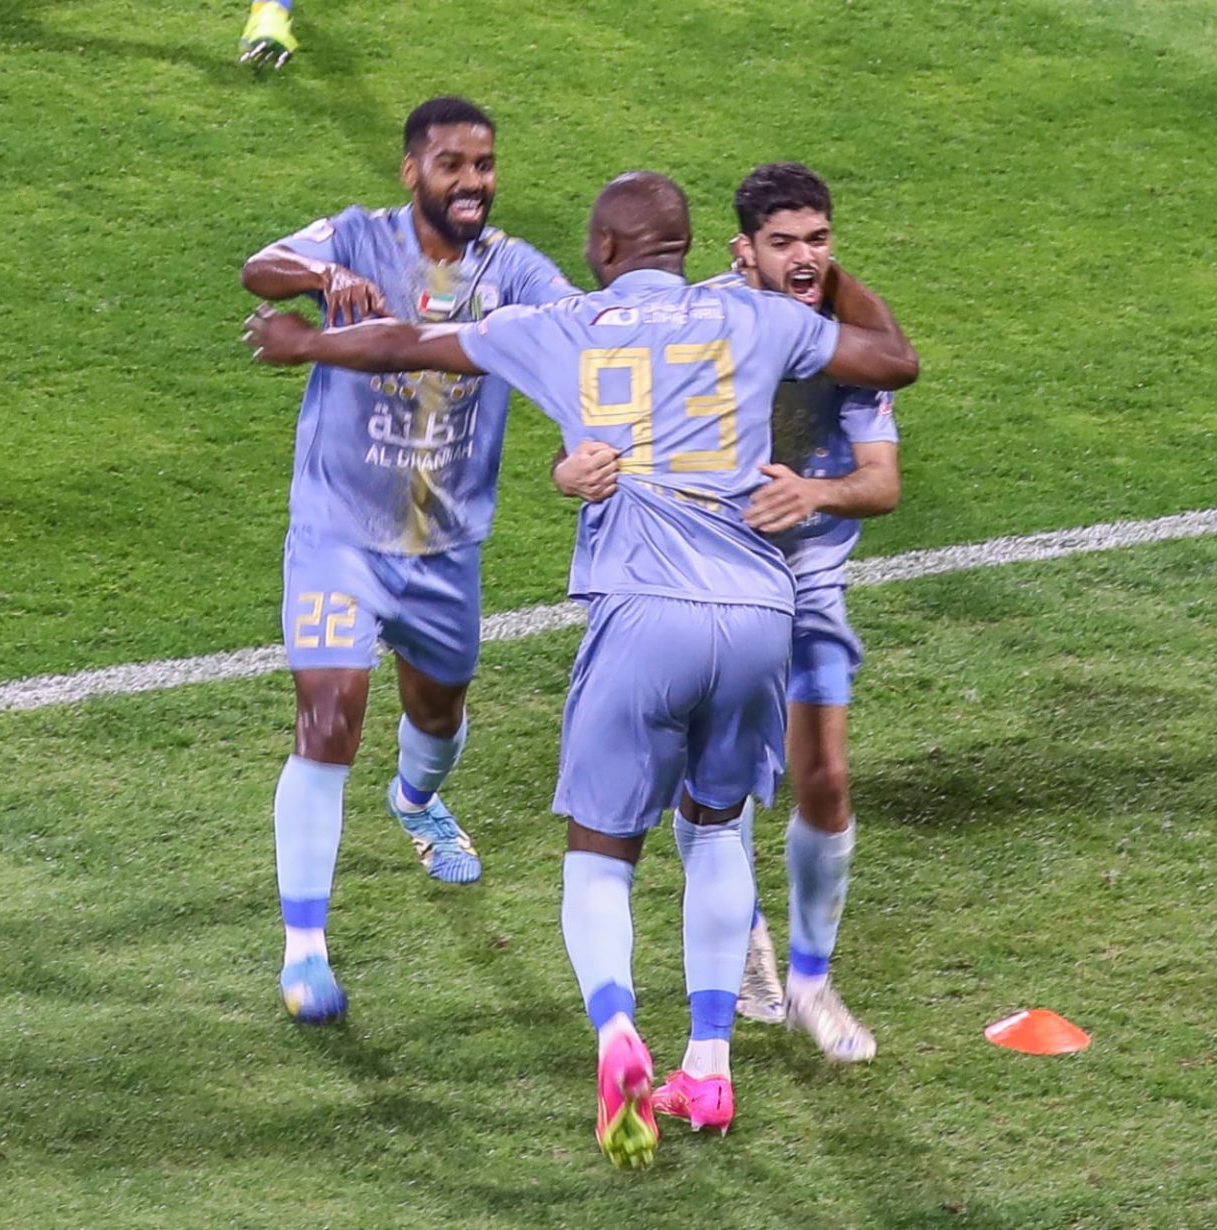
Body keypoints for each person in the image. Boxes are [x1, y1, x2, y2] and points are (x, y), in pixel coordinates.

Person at [243, 169, 918, 1167]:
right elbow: (894, 359)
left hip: (644, 611)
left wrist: (303, 343)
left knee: (601, 853)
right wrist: (827, 267)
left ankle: (617, 1032)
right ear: (692, 246)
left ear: (603, 251)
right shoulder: (756, 317)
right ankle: (710, 1066)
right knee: (716, 830)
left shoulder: (561, 324)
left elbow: (408, 343)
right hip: (760, 613)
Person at [238, 96, 575, 1026]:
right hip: (338, 536)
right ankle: (304, 951)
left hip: (444, 549)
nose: (472, 182)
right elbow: (259, 268)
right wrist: (325, 273)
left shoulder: (513, 269)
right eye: (452, 164)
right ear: (412, 171)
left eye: (484, 165)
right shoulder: (358, 235)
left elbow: (581, 330)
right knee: (329, 716)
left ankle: (416, 799)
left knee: (438, 709)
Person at [559, 162, 901, 1069]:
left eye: (819, 240)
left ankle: (812, 983)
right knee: (713, 790)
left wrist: (816, 492)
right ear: (742, 250)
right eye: (783, 243)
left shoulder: (843, 339)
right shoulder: (697, 318)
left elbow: (883, 481)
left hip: (807, 585)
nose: (804, 258)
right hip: (706, 574)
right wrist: (573, 471)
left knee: (824, 776)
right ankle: (742, 936)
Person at [239, 0, 296, 69]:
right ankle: (277, 51)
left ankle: (259, 49)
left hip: (262, 5)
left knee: (259, 19)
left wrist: (245, 42)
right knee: (278, 18)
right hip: (283, 6)